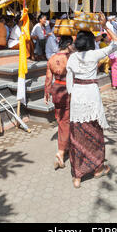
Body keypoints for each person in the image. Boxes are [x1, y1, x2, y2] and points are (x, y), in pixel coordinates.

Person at [66, 13, 117, 189]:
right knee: (95, 136)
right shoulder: (95, 54)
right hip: (91, 96)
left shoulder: (72, 57)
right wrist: (105, 26)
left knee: (77, 137)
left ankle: (77, 176)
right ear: (90, 42)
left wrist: (74, 96)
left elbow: (69, 85)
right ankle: (97, 168)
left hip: (77, 97)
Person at [45, 36, 73, 169]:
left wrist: (46, 94)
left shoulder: (51, 59)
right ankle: (61, 152)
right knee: (65, 122)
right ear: (68, 45)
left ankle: (65, 147)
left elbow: (48, 79)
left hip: (56, 89)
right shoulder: (70, 58)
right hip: (67, 90)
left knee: (61, 119)